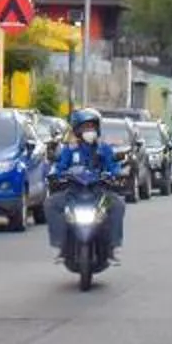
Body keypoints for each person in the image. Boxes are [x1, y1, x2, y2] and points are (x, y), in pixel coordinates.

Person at [47, 108, 126, 252]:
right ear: (77, 129)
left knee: (118, 204)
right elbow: (59, 167)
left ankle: (113, 243)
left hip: (100, 193)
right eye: (86, 127)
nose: (90, 130)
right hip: (73, 193)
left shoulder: (104, 149)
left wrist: (116, 174)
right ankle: (60, 242)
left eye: (92, 126)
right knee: (51, 203)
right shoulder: (70, 150)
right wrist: (56, 175)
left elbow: (114, 166)